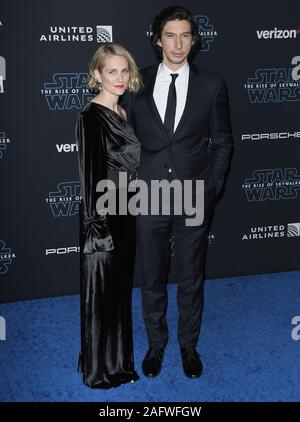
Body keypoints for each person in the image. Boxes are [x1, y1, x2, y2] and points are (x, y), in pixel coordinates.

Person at [123, 6, 233, 379]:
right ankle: (156, 345)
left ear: (193, 40)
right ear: (158, 40)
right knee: (152, 276)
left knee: (191, 278)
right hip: (149, 196)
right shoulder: (136, 82)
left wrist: (212, 186)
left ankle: (188, 346)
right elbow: (126, 141)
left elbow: (222, 141)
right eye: (170, 35)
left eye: (185, 35)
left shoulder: (212, 84)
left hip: (194, 196)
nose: (178, 43)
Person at [76, 43, 141, 388]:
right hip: (102, 220)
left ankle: (119, 362)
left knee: (119, 292)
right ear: (97, 75)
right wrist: (97, 228)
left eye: (124, 70)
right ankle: (100, 369)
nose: (118, 77)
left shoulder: (123, 112)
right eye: (111, 71)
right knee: (102, 294)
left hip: (126, 213)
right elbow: (91, 178)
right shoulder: (90, 117)